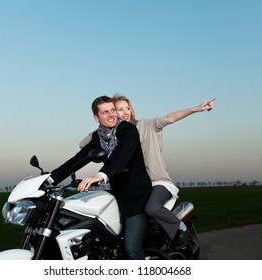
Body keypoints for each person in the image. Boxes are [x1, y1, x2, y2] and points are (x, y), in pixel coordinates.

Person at [79, 94, 216, 250]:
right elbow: (82, 144)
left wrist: (197, 108)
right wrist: (101, 128)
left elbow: (169, 118)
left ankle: (180, 228)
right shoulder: (114, 136)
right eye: (119, 109)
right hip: (135, 185)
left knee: (151, 208)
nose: (125, 112)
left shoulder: (145, 125)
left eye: (127, 108)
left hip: (157, 181)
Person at [50, 95, 152, 260]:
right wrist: (50, 179)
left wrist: (100, 175)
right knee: (109, 243)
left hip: (136, 194)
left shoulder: (127, 130)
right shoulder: (99, 137)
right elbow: (78, 159)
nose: (111, 115)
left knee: (131, 248)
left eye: (113, 110)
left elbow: (122, 156)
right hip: (117, 194)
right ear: (96, 117)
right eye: (105, 112)